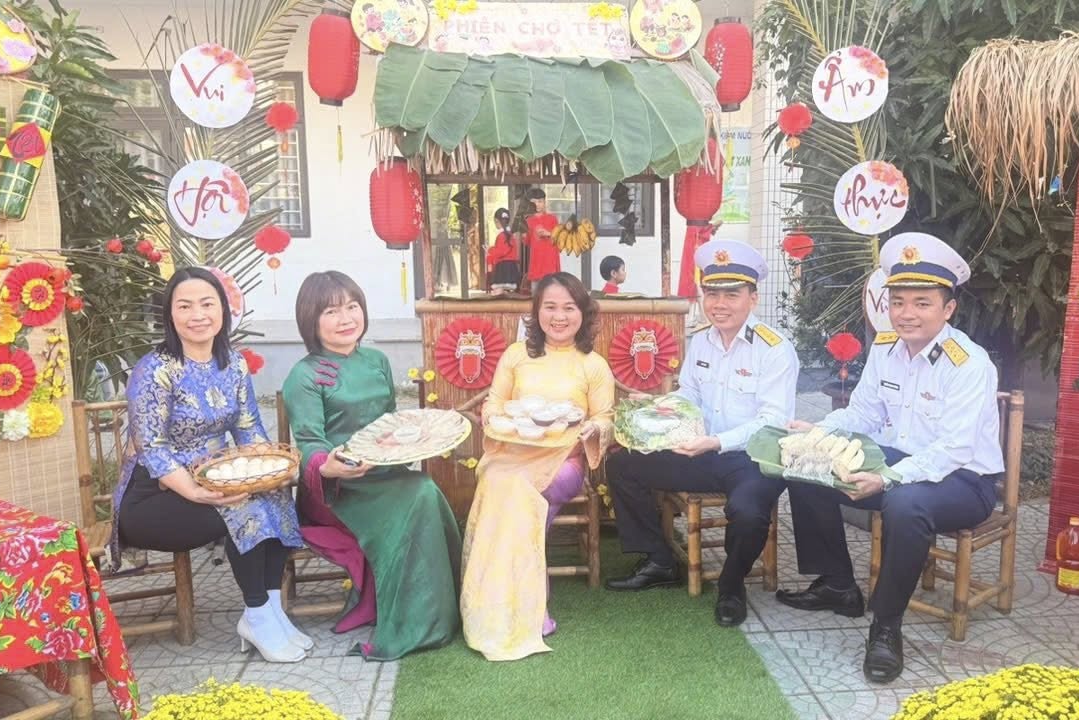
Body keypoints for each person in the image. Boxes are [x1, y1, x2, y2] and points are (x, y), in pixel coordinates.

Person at [776, 232, 1003, 684]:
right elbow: (862, 412)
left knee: (904, 503)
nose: (907, 313)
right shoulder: (885, 349)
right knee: (806, 469)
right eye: (898, 302)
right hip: (901, 462)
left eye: (922, 303)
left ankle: (885, 625)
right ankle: (838, 584)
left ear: (948, 309)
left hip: (965, 480)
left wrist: (887, 478)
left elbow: (955, 448)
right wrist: (819, 433)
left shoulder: (969, 363)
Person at [113, 267, 307, 663]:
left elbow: (248, 426)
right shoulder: (155, 370)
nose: (197, 315)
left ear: (223, 310)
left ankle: (272, 611)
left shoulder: (232, 363)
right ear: (170, 314)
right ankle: (256, 615)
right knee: (243, 507)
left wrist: (268, 471)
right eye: (185, 306)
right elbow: (152, 447)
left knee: (275, 497)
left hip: (217, 480)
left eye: (207, 304)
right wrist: (194, 490)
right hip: (154, 496)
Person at [605, 240, 798, 627]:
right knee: (622, 464)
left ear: (753, 298)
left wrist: (717, 441)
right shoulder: (702, 340)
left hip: (753, 459)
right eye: (712, 293)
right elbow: (690, 394)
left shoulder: (775, 350)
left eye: (732, 294)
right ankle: (659, 560)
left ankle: (731, 586)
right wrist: (660, 404)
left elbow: (773, 420)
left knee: (747, 511)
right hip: (703, 452)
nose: (719, 304)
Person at [281, 271, 462, 661]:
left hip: (384, 474)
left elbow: (389, 421)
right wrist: (330, 466)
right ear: (311, 319)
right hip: (336, 489)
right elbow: (309, 442)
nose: (346, 318)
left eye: (352, 306)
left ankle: (438, 612)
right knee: (420, 492)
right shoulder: (304, 375)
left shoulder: (377, 361)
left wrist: (406, 437)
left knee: (423, 489)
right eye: (331, 311)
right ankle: (415, 623)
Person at [460, 272, 615, 661]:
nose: (559, 317)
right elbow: (495, 403)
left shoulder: (593, 365)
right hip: (512, 455)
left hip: (564, 461)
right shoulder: (516, 355)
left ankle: (526, 603)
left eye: (569, 307)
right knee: (500, 480)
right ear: (536, 311)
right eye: (550, 307)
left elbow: (606, 417)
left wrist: (595, 427)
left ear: (583, 313)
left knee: (518, 493)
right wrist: (492, 417)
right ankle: (504, 601)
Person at [523, 188, 560, 284]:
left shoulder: (552, 219)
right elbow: (527, 242)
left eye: (540, 201)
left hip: (550, 263)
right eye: (534, 202)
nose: (537, 204)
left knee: (551, 289)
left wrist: (549, 233)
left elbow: (560, 238)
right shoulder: (528, 221)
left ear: (544, 202)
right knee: (536, 291)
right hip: (536, 264)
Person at [486, 207, 521, 290]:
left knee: (500, 289)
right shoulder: (510, 235)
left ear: (496, 221)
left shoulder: (502, 235)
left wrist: (490, 250)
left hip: (503, 268)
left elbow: (501, 251)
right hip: (511, 267)